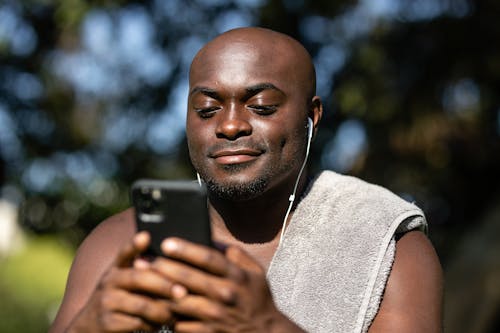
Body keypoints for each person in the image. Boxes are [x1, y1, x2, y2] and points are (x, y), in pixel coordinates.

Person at [49, 27, 443, 333]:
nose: (231, 125)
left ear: (312, 117)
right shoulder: (120, 243)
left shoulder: (385, 246)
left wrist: (268, 326)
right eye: (207, 110)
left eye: (261, 106)